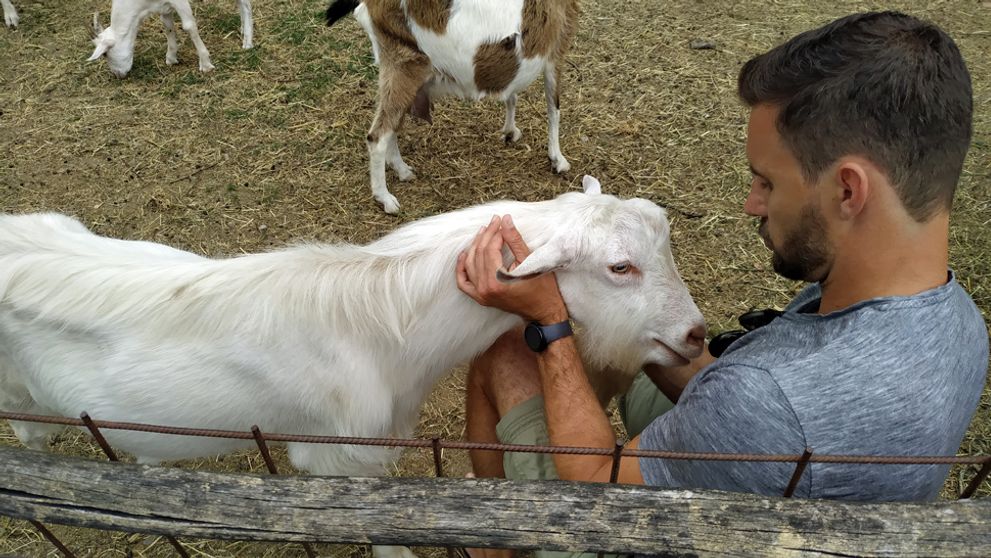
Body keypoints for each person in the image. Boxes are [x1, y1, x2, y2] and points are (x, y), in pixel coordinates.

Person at [454, 9, 989, 516]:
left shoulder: (767, 402)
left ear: (848, 190)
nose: (751, 203)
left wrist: (551, 323)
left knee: (504, 354)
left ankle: (498, 539)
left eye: (767, 181)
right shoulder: (957, 319)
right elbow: (744, 409)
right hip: (763, 465)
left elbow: (598, 486)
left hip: (650, 520)